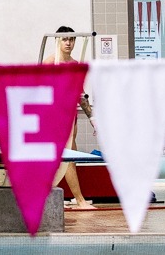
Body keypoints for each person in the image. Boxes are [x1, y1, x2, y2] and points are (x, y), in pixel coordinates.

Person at [41, 26, 96, 210]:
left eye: (71, 40)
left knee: (67, 156)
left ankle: (48, 196)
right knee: (67, 157)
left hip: (70, 116)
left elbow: (81, 95)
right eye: (65, 39)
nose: (68, 43)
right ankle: (80, 200)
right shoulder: (50, 63)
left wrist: (93, 119)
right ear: (58, 41)